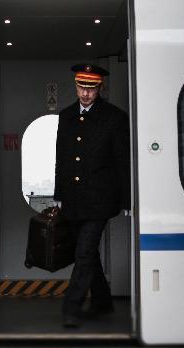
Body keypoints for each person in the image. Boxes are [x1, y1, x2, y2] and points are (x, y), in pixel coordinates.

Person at [53, 63, 130, 328]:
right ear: (75, 86)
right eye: (81, 87)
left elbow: (122, 161)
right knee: (85, 253)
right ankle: (103, 302)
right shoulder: (66, 116)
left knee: (85, 252)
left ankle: (70, 308)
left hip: (100, 199)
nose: (85, 94)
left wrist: (127, 199)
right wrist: (58, 194)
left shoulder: (115, 117)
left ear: (100, 87)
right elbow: (62, 158)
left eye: (91, 88)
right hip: (72, 198)